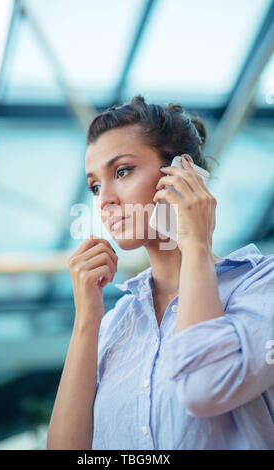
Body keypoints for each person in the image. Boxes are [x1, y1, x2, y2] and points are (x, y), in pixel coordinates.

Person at [47, 95, 274, 450]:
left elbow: (203, 388)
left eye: (122, 171)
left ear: (183, 174)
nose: (103, 198)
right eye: (94, 186)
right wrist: (87, 320)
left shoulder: (262, 286)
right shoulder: (114, 323)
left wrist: (195, 244)